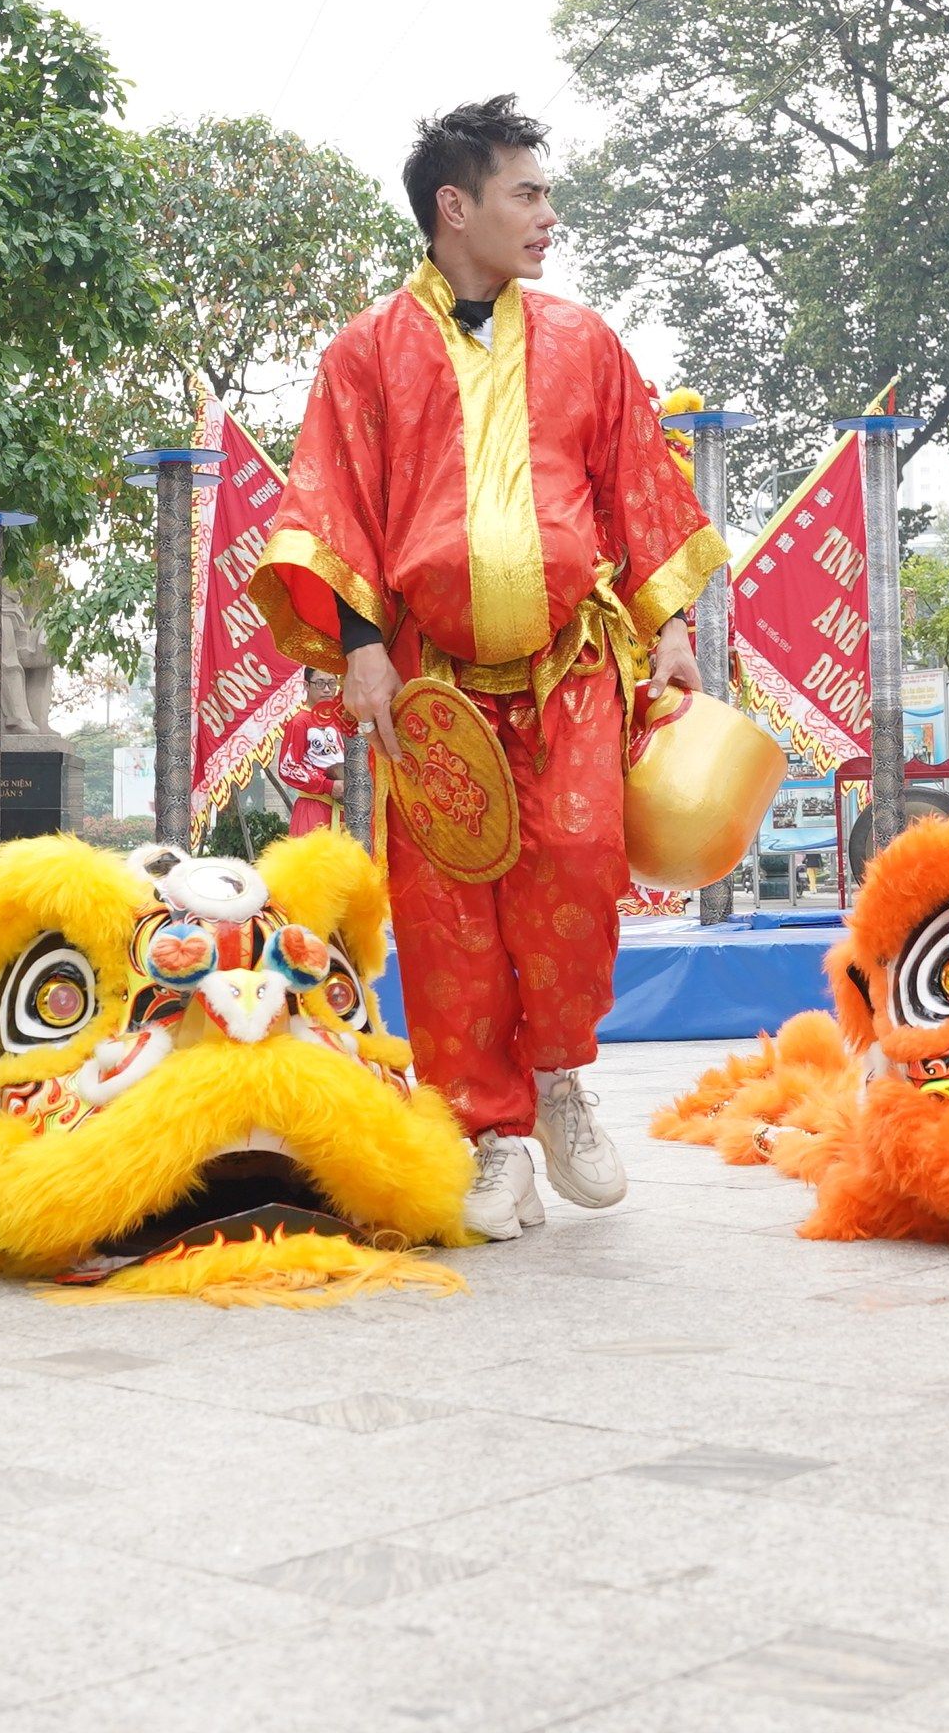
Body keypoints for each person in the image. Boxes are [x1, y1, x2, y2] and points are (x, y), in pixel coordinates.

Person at [258, 98, 727, 1238]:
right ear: (453, 207)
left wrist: (669, 622)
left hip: (571, 666)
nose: (548, 215)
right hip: (431, 681)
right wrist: (360, 648)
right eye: (527, 192)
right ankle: (487, 1134)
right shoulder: (366, 350)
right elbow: (333, 504)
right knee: (447, 909)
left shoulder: (584, 341)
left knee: (576, 862)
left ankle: (560, 1078)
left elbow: (638, 489)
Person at [270, 672, 354, 840]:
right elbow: (288, 768)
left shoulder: (340, 721)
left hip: (344, 809)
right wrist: (327, 785)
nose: (327, 690)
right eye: (320, 683)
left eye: (331, 683)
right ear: (306, 685)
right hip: (314, 808)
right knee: (314, 863)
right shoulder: (300, 722)